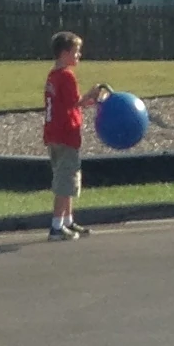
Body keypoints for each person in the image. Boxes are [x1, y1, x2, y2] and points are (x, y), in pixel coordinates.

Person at [43, 29, 110, 240]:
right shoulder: (66, 76)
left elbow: (70, 104)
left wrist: (92, 100)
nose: (79, 55)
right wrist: (92, 93)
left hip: (54, 133)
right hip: (66, 135)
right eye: (76, 51)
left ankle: (68, 221)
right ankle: (56, 226)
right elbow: (76, 102)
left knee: (70, 179)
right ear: (64, 53)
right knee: (65, 181)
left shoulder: (53, 75)